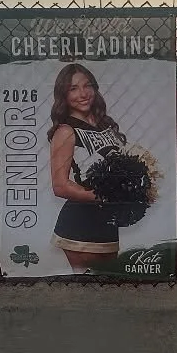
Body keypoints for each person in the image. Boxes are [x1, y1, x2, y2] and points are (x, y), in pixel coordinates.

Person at [47, 62, 126, 272]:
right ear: (63, 94)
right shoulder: (65, 131)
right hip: (80, 223)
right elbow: (60, 186)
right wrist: (105, 196)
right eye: (73, 88)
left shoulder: (102, 124)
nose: (83, 94)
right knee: (92, 288)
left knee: (106, 287)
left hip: (107, 220)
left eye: (87, 85)